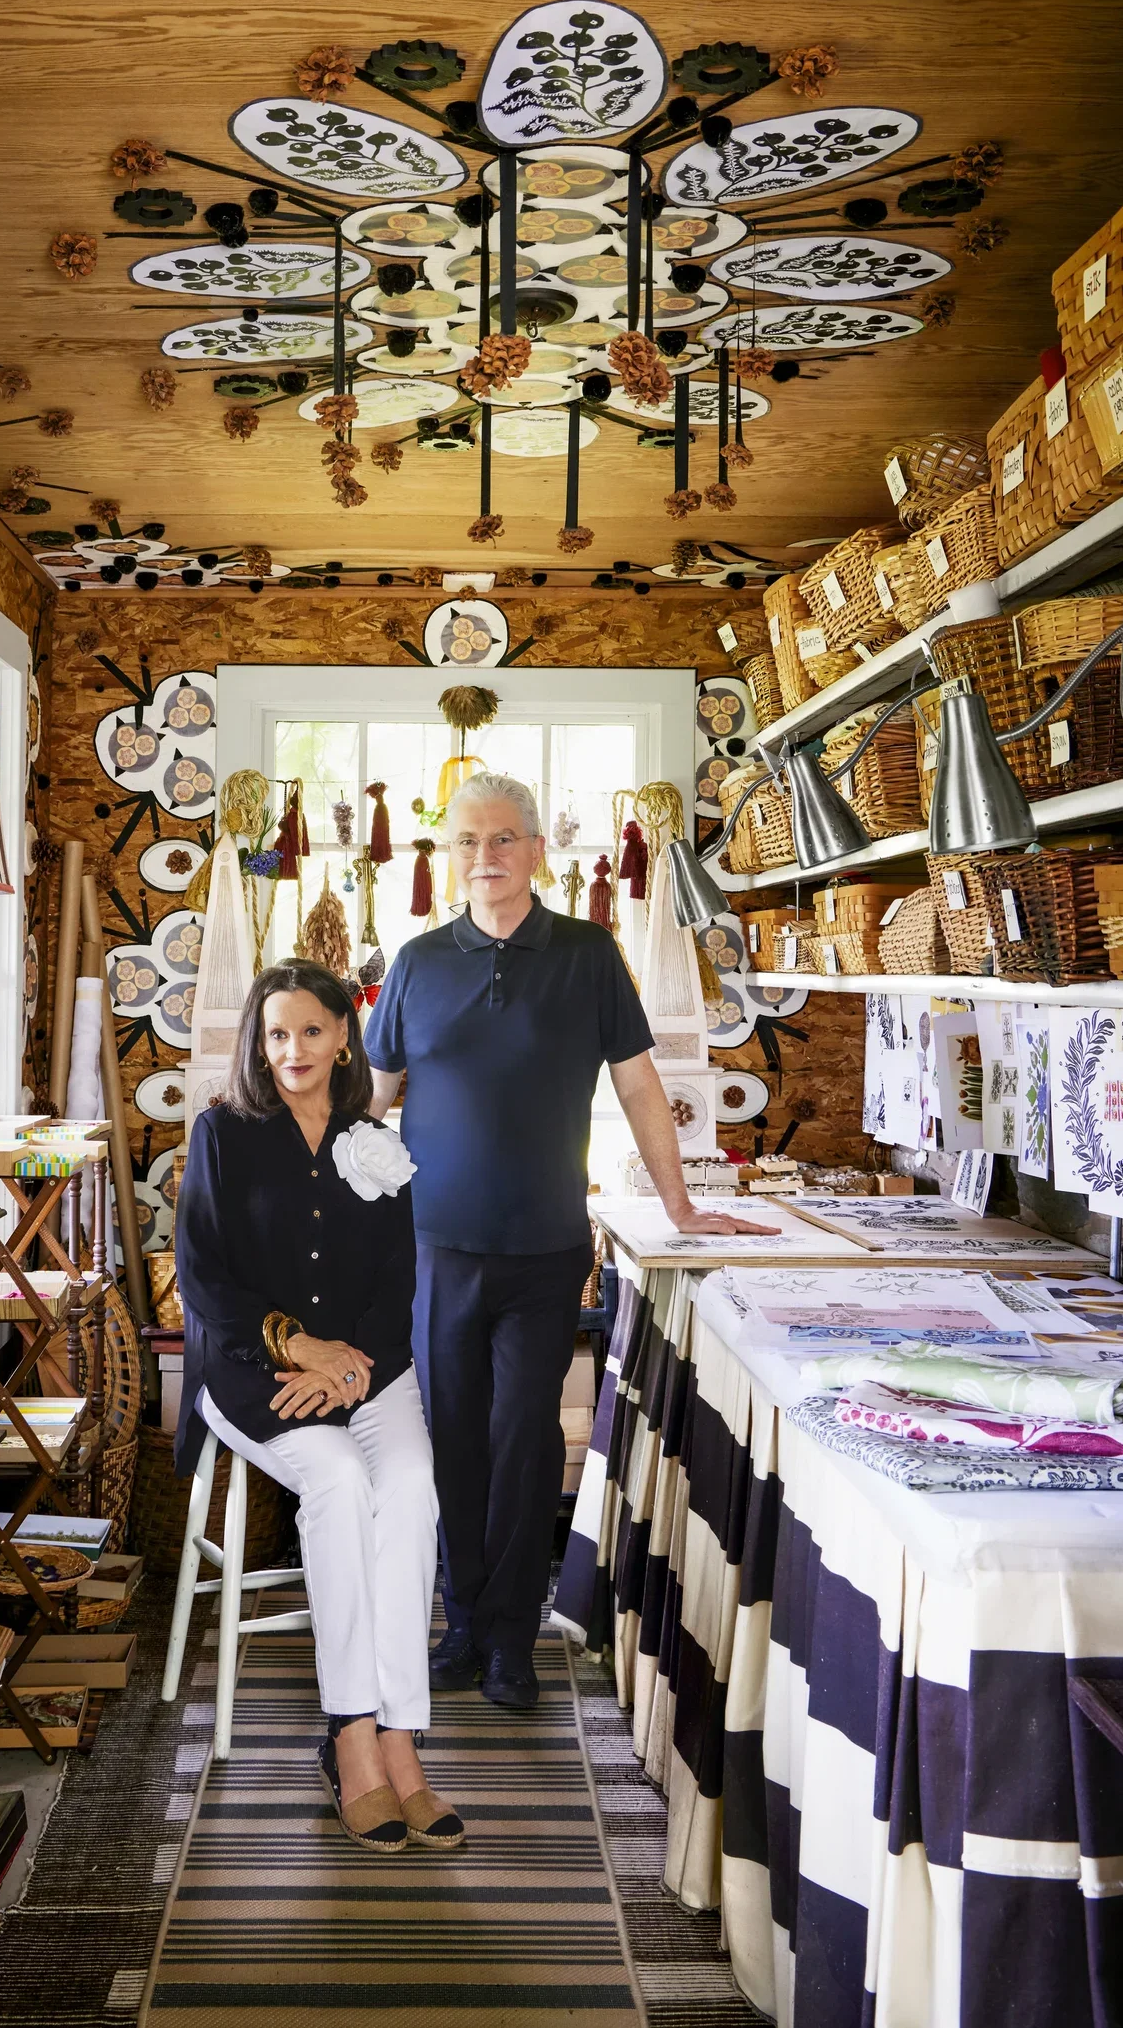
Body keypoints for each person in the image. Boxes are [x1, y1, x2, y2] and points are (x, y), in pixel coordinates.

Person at [365, 772, 704, 1709]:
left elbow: (640, 1087)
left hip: (548, 1248)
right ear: (450, 855)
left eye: (504, 838)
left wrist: (679, 1206)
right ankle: (461, 1621)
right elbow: (372, 1104)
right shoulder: (418, 962)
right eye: (467, 841)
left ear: (536, 851)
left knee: (523, 1441)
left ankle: (510, 1634)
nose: (485, 857)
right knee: (452, 1442)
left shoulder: (590, 955)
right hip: (434, 1249)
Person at [175, 958, 463, 1854]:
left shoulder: (375, 1141)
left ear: (345, 1035)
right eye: (274, 1034)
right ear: (258, 1045)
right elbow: (201, 1278)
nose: (292, 1050)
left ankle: (401, 1739)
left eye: (310, 1030)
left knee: (412, 1486)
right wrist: (296, 1348)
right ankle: (350, 1734)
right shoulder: (222, 1134)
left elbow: (392, 1283)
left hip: (368, 1370)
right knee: (337, 1481)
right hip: (251, 1373)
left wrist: (350, 1370)